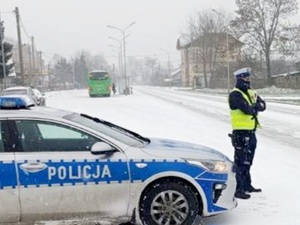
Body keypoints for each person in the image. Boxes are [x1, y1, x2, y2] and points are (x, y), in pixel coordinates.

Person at [228, 67, 266, 200]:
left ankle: (247, 185)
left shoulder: (251, 92)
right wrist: (255, 107)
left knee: (248, 161)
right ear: (239, 79)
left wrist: (256, 107)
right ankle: (238, 188)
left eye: (249, 78)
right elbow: (247, 109)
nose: (248, 80)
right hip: (240, 133)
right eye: (245, 78)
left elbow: (263, 106)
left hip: (251, 132)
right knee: (240, 162)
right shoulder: (235, 94)